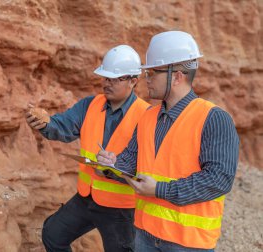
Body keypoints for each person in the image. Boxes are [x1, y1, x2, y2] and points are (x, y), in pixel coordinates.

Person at [97, 31, 239, 252]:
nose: (147, 79)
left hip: (188, 243)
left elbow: (218, 179)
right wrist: (111, 165)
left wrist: (160, 190)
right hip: (144, 235)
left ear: (177, 76)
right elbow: (131, 161)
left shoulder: (213, 118)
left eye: (152, 73)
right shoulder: (147, 117)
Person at [25, 45, 150, 252]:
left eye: (114, 79)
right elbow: (63, 125)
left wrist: (112, 170)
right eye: (105, 78)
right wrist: (46, 123)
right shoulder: (90, 105)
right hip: (87, 198)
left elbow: (147, 166)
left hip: (120, 209)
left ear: (133, 81)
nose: (106, 83)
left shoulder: (147, 116)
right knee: (53, 234)